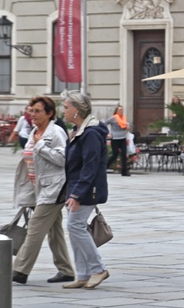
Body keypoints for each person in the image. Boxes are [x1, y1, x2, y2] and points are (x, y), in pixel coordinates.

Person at [11, 96, 75, 285]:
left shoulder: (56, 132)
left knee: (35, 228)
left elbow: (64, 159)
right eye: (31, 111)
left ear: (49, 113)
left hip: (55, 188)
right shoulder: (35, 131)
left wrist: (41, 147)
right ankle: (66, 270)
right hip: (40, 188)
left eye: (37, 111)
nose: (33, 115)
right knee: (54, 231)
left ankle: (20, 270)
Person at [60, 90, 110, 290]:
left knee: (75, 226)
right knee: (74, 228)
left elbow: (90, 166)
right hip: (79, 187)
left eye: (65, 107)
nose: (62, 111)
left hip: (88, 189)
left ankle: (98, 269)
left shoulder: (90, 134)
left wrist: (76, 194)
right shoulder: (79, 131)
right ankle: (82, 274)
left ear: (77, 110)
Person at [104, 105, 130, 176]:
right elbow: (104, 124)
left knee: (124, 154)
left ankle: (124, 171)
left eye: (122, 110)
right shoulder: (113, 118)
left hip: (123, 137)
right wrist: (108, 133)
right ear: (116, 111)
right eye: (120, 110)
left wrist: (128, 126)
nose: (121, 111)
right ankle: (105, 167)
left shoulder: (123, 118)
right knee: (115, 154)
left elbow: (126, 124)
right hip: (115, 138)